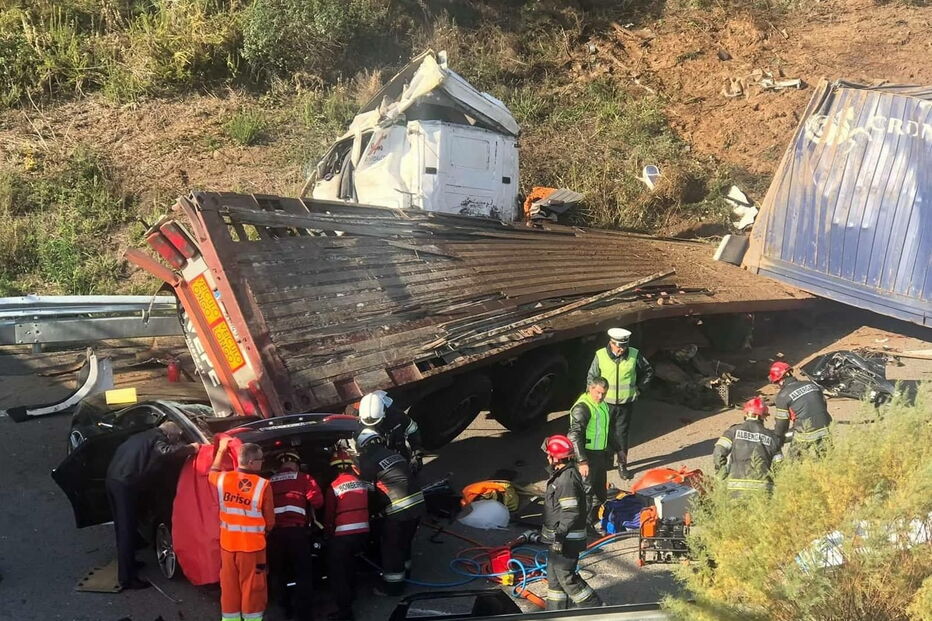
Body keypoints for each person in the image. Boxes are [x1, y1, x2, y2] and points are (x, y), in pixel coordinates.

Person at [105, 420, 198, 590]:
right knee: (127, 529)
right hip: (125, 484)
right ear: (169, 434)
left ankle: (129, 563)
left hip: (113, 479)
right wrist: (192, 448)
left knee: (122, 527)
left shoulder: (144, 435)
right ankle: (127, 579)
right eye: (176, 438)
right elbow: (166, 452)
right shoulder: (158, 439)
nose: (176, 441)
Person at [210, 437, 275, 621]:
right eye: (261, 460)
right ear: (252, 462)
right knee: (253, 589)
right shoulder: (263, 485)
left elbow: (212, 472)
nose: (263, 463)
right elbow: (270, 521)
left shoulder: (223, 479)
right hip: (252, 548)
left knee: (230, 588)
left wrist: (221, 450)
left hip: (228, 547)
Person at [355, 428, 424, 596]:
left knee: (391, 548)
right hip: (419, 505)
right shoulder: (393, 454)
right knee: (404, 542)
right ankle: (406, 574)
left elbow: (368, 490)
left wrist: (369, 511)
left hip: (398, 509)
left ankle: (393, 588)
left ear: (362, 446)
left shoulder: (367, 460)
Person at [540, 435, 603, 611]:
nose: (547, 457)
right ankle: (555, 614)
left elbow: (571, 511)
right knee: (554, 579)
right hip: (558, 540)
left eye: (549, 454)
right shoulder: (561, 475)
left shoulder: (567, 479)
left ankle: (597, 609)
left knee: (567, 577)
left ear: (556, 457)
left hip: (566, 540)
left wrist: (559, 535)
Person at [586, 327, 653, 479]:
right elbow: (592, 377)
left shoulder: (634, 354)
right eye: (619, 346)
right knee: (604, 432)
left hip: (625, 403)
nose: (622, 349)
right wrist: (592, 398)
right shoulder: (600, 355)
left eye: (625, 346)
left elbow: (648, 371)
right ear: (611, 343)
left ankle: (622, 464)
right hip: (604, 404)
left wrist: (640, 389)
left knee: (621, 435)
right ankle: (607, 460)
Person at [267, 452, 323, 621]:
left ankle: (285, 610)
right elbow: (318, 502)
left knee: (278, 573)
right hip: (297, 534)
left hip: (274, 534)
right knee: (303, 574)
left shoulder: (268, 482)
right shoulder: (304, 478)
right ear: (296, 465)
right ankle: (304, 614)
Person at [324, 448, 371, 621]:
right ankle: (353, 594)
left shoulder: (333, 487)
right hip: (364, 534)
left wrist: (328, 534)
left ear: (335, 468)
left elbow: (329, 516)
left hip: (344, 536)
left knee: (338, 573)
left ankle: (345, 611)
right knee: (351, 565)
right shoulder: (361, 482)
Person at [712, 397, 784, 495]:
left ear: (746, 414)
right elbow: (779, 465)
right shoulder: (772, 437)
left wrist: (721, 473)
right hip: (763, 490)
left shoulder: (733, 431)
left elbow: (718, 452)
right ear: (763, 417)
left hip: (736, 489)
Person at [566, 377, 611, 529]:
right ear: (591, 388)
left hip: (599, 455)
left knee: (600, 492)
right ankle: (582, 527)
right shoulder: (583, 407)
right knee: (586, 493)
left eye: (603, 394)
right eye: (598, 393)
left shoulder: (602, 405)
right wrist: (582, 461)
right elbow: (574, 436)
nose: (600, 396)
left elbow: (607, 429)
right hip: (587, 456)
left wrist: (619, 450)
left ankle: (592, 522)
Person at [769, 362, 832, 453]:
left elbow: (782, 424)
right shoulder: (812, 384)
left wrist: (777, 439)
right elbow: (823, 404)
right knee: (827, 459)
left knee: (794, 462)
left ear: (780, 381)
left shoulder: (782, 396)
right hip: (826, 427)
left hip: (805, 432)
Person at [358, 391, 423, 469]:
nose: (374, 426)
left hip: (399, 452)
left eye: (377, 423)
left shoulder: (396, 416)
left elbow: (412, 430)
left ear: (384, 413)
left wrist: (416, 453)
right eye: (370, 424)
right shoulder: (360, 422)